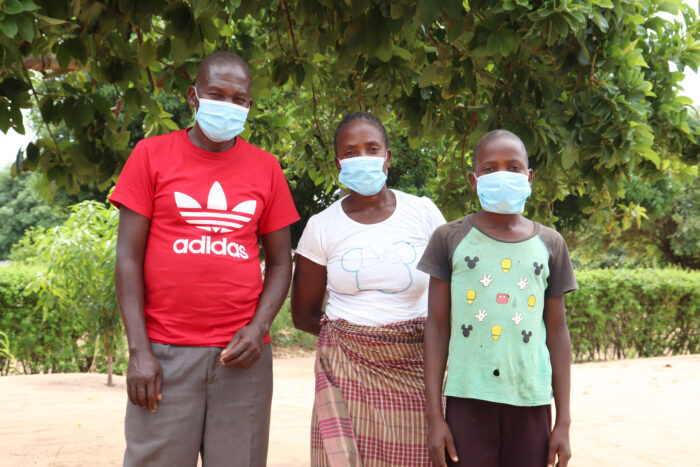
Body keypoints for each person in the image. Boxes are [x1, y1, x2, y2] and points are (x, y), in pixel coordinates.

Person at [110, 51, 299, 467]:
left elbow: (282, 262)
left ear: (249, 105)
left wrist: (259, 327)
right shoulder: (150, 155)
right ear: (193, 97)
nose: (228, 106)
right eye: (217, 94)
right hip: (163, 354)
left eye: (239, 99)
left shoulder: (266, 168)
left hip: (242, 356)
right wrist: (139, 350)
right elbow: (127, 257)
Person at [291, 112, 446, 466]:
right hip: (346, 373)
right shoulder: (321, 226)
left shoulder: (423, 213)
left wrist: (400, 341)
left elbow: (448, 296)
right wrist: (358, 338)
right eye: (350, 151)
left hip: (418, 370)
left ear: (388, 156)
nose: (362, 158)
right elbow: (302, 314)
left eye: (371, 148)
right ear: (338, 162)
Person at [417, 129, 577, 467]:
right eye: (490, 169)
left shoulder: (551, 244)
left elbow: (558, 332)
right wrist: (435, 417)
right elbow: (437, 326)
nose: (502, 175)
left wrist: (563, 420)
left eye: (513, 167)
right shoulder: (449, 238)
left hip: (531, 400)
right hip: (466, 399)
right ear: (473, 179)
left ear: (529, 177)